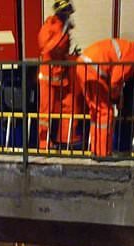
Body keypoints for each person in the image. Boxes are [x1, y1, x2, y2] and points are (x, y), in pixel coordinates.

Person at [76, 32, 134, 158]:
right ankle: (103, 154)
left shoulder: (132, 50)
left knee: (98, 113)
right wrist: (116, 98)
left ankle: (97, 151)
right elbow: (115, 81)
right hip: (91, 70)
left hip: (87, 68)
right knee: (106, 113)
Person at [37, 0, 81, 150]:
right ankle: (44, 143)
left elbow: (61, 52)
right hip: (49, 76)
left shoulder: (62, 27)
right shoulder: (50, 26)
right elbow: (46, 48)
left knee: (69, 106)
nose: (70, 16)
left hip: (60, 75)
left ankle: (66, 138)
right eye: (67, 12)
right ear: (61, 13)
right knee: (46, 112)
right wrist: (63, 33)